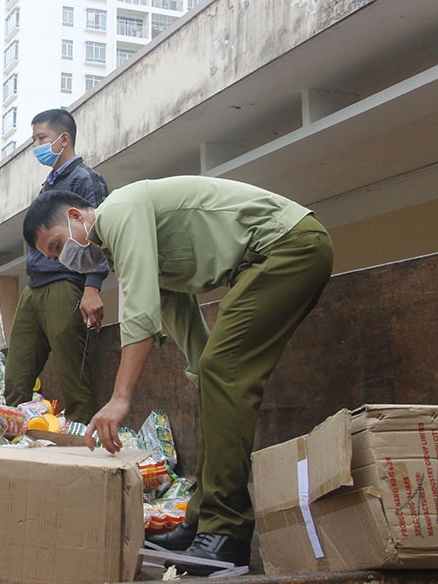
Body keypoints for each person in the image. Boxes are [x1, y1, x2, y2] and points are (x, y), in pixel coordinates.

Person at [23, 176, 334, 574]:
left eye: (55, 245)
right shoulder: (126, 246)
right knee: (214, 375)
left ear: (74, 216)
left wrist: (121, 398)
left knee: (222, 371)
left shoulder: (119, 212)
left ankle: (225, 532)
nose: (59, 257)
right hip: (266, 260)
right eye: (51, 256)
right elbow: (179, 313)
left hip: (289, 247)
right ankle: (202, 521)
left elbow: (141, 309)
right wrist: (203, 375)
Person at [4, 109, 110, 425]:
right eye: (34, 139)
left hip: (66, 285)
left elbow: (99, 235)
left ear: (64, 139)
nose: (36, 146)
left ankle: (81, 450)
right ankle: (13, 443)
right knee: (15, 377)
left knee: (73, 379)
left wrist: (92, 288)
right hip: (33, 287)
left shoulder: (85, 179)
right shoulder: (48, 185)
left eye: (42, 138)